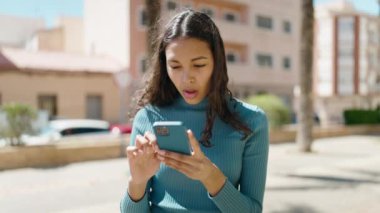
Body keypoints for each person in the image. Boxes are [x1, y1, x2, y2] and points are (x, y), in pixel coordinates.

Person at [120, 9, 269, 213]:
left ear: (217, 63)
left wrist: (211, 177)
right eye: (175, 66)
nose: (186, 78)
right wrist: (137, 182)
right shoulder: (147, 118)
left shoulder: (251, 121)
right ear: (165, 66)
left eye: (198, 65)